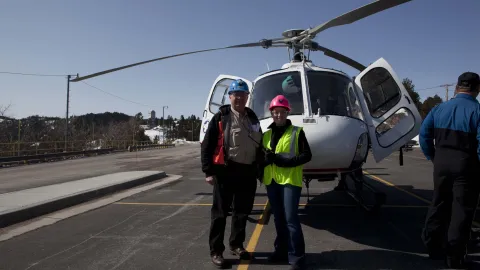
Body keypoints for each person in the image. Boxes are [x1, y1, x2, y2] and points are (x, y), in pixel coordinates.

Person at [200, 79, 263, 268]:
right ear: (230, 97)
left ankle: (236, 244)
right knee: (220, 214)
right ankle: (216, 251)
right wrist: (208, 171)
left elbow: (259, 144)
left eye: (243, 95)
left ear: (247, 97)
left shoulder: (252, 117)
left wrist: (260, 169)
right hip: (226, 171)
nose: (239, 98)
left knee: (242, 212)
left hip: (247, 172)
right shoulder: (221, 116)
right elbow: (207, 145)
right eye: (236, 94)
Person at [420, 71, 480, 269]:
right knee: (461, 210)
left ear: (457, 87)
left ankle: (433, 248)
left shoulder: (439, 109)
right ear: (477, 89)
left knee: (438, 203)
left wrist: (433, 157)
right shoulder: (477, 111)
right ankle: (454, 257)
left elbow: (424, 134)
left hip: (442, 163)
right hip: (466, 165)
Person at [261, 95, 312, 270]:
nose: (278, 116)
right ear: (272, 114)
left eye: (282, 112)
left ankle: (297, 255)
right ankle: (281, 251)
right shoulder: (266, 134)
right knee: (279, 219)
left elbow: (307, 155)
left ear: (287, 112)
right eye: (275, 112)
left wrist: (284, 162)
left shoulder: (297, 132)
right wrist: (265, 161)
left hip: (290, 180)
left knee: (291, 219)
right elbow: (261, 158)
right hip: (272, 181)